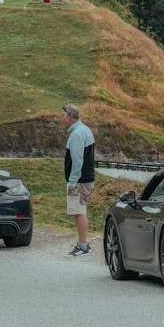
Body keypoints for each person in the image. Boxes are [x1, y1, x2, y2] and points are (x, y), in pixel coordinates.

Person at [61, 102, 95, 255]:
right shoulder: (84, 130)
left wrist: (72, 182)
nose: (61, 119)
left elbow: (77, 160)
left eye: (63, 116)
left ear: (70, 117)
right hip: (85, 179)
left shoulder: (77, 134)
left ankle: (82, 245)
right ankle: (82, 243)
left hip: (80, 181)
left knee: (79, 211)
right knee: (79, 210)